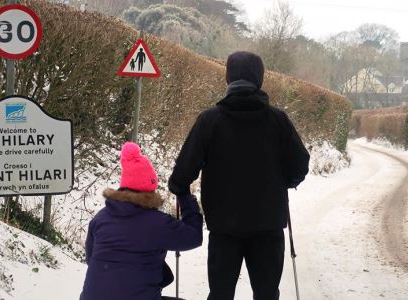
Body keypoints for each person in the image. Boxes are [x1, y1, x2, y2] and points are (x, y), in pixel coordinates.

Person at [168, 51, 310, 300]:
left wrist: (182, 192)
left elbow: (181, 175)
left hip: (224, 230)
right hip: (269, 227)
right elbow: (300, 164)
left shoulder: (209, 121)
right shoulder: (278, 121)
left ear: (228, 78)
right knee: (266, 294)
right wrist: (285, 182)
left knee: (220, 294)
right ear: (260, 79)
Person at [81, 142, 202, 300]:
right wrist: (184, 197)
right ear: (150, 190)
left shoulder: (100, 218)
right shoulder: (157, 223)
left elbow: (91, 258)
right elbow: (193, 237)